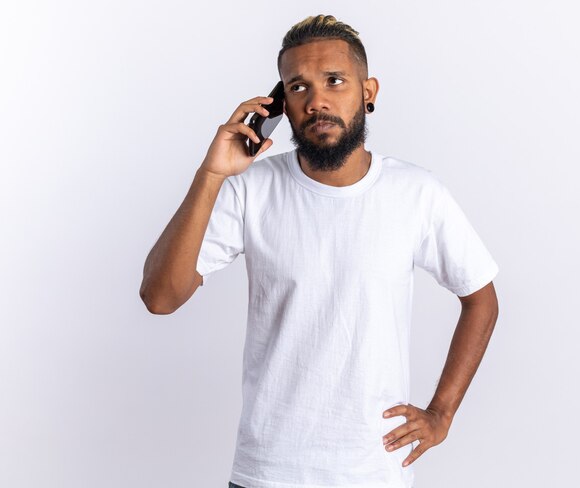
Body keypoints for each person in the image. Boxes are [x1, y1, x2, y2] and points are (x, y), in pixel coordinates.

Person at [140, 14, 500, 488]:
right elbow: (161, 297)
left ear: (368, 92)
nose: (317, 101)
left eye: (335, 81)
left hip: (372, 472)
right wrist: (212, 175)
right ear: (280, 104)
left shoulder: (415, 193)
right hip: (267, 474)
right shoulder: (252, 190)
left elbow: (481, 298)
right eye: (298, 87)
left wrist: (441, 413)